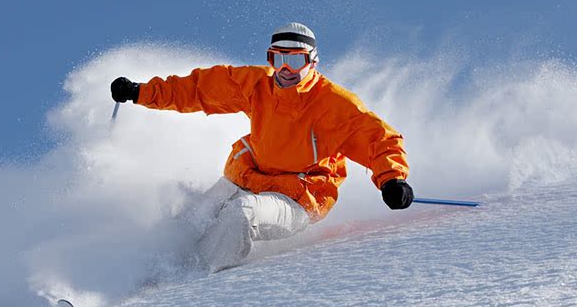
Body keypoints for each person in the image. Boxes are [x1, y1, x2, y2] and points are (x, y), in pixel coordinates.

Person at [110, 22, 412, 272]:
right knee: (193, 218)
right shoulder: (258, 85)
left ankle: (190, 281)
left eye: (295, 60)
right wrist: (141, 92)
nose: (286, 69)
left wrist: (392, 179)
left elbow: (378, 138)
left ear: (312, 61)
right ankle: (138, 283)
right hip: (247, 178)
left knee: (242, 214)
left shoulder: (332, 104)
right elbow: (200, 88)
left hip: (299, 197)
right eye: (277, 59)